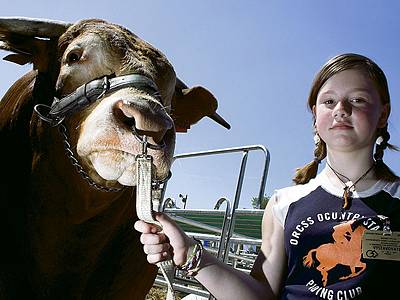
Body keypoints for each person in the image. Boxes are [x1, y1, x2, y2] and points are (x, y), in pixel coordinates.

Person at [135, 53, 400, 299]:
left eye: (358, 100)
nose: (341, 108)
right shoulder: (284, 204)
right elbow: (261, 294)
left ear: (383, 115)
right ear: (315, 117)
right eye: (329, 101)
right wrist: (191, 253)